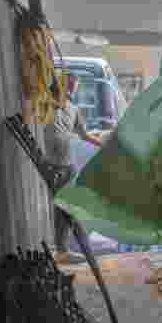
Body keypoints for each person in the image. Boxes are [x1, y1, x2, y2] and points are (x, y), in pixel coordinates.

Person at [45, 71, 102, 264]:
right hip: (54, 166)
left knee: (67, 207)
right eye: (68, 84)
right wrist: (54, 92)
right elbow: (39, 100)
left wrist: (104, 145)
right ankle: (62, 250)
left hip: (68, 165)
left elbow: (85, 135)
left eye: (73, 85)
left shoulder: (74, 109)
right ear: (59, 85)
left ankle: (63, 250)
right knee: (63, 207)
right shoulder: (48, 105)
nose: (71, 89)